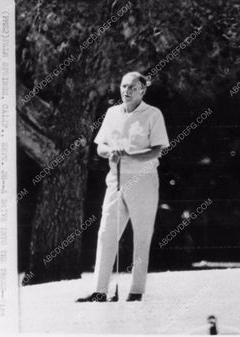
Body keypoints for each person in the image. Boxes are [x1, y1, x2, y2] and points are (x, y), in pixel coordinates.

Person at [77, 71, 169, 302]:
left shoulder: (153, 114)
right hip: (115, 179)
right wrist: (113, 152)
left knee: (142, 236)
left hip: (144, 181)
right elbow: (100, 147)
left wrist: (130, 155)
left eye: (132, 87)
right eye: (123, 86)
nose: (126, 91)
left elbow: (158, 149)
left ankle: (136, 291)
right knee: (106, 232)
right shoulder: (112, 113)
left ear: (142, 90)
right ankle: (99, 290)